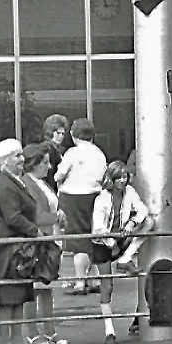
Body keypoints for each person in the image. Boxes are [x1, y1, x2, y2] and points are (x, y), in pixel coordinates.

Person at [91, 161, 152, 344]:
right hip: (102, 243)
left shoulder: (130, 192)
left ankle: (125, 260)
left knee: (149, 223)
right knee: (107, 285)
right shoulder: (102, 198)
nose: (123, 181)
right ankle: (109, 330)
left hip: (120, 237)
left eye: (125, 177)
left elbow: (142, 210)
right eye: (119, 178)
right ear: (111, 179)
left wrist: (132, 222)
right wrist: (111, 243)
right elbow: (98, 227)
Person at [0, 140, 38, 344]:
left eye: (21, 155)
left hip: (16, 243)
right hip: (8, 245)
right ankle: (4, 342)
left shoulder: (13, 181)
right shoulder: (6, 184)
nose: (22, 159)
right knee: (7, 294)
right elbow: (13, 217)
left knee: (18, 294)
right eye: (17, 156)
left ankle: (17, 339)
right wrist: (36, 231)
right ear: (5, 161)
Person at [20, 143, 67, 344]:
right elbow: (36, 215)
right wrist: (56, 216)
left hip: (51, 240)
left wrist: (58, 218)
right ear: (34, 164)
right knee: (34, 288)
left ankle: (49, 331)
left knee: (46, 287)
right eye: (45, 163)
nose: (49, 167)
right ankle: (33, 334)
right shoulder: (28, 184)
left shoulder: (40, 183)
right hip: (40, 242)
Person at [54, 118, 106, 294]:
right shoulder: (99, 153)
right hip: (95, 195)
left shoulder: (72, 153)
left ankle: (80, 283)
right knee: (93, 237)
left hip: (73, 198)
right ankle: (96, 280)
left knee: (78, 241)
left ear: (73, 135)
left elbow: (58, 175)